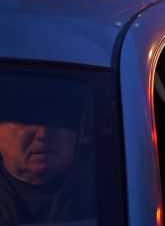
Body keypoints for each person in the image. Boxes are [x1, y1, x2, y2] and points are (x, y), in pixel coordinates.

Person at [0, 84, 95, 225]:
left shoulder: (113, 190)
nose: (43, 134)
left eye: (58, 120)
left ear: (83, 132)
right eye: (25, 120)